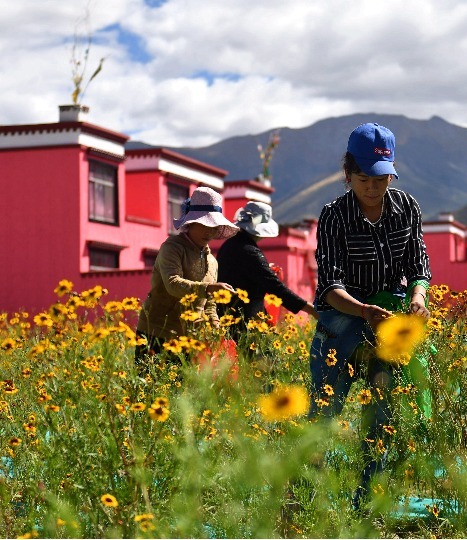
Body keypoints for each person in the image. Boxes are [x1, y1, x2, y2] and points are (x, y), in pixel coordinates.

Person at [308, 122, 432, 509]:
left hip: (389, 313)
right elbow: (330, 284)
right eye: (363, 179)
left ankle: (367, 501)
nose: (373, 188)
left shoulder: (407, 207)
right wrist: (362, 310)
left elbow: (419, 266)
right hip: (344, 313)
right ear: (348, 174)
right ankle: (307, 501)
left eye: (381, 179)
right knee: (324, 411)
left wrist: (418, 297)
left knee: (383, 411)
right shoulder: (333, 215)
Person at [135, 186, 239, 371]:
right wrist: (208, 288)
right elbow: (173, 284)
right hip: (157, 331)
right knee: (151, 383)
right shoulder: (172, 247)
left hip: (190, 338)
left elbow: (209, 304)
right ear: (191, 223)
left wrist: (215, 326)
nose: (209, 232)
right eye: (204, 225)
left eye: (213, 227)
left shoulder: (212, 261)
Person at [216, 201, 318, 342]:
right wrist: (311, 309)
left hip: (228, 316)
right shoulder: (250, 251)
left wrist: (263, 268)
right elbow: (275, 287)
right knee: (261, 355)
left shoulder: (230, 245)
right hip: (247, 322)